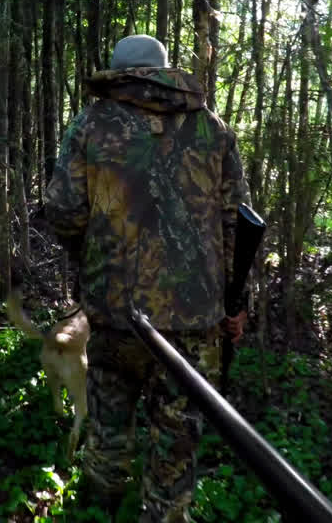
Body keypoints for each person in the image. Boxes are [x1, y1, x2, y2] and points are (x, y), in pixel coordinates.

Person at [44, 34, 251, 522]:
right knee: (177, 440)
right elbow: (236, 219)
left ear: (118, 71)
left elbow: (63, 211)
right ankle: (163, 511)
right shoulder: (212, 129)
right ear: (162, 69)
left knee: (109, 428)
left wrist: (93, 253)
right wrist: (236, 300)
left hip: (116, 314)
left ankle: (100, 507)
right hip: (194, 321)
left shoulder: (91, 124)